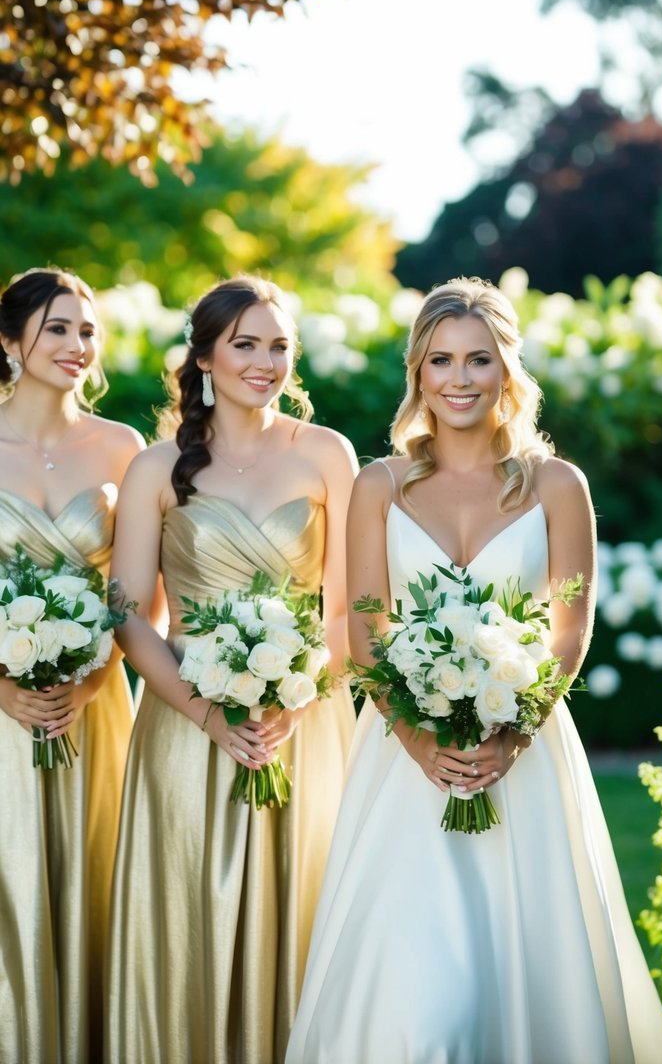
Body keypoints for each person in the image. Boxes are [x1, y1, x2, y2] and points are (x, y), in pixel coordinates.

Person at [286, 277, 662, 1064]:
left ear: (508, 369)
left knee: (524, 981)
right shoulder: (380, 484)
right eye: (441, 361)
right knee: (426, 1009)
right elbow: (366, 630)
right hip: (405, 764)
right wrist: (419, 741)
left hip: (523, 759)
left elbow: (569, 630)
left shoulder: (556, 486)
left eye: (478, 359)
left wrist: (512, 733)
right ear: (418, 373)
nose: (459, 379)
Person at [105, 275, 358, 1064]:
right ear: (205, 356)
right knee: (185, 920)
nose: (264, 361)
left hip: (303, 728)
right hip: (185, 728)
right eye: (245, 344)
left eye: (278, 345)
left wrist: (298, 694)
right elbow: (126, 615)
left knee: (308, 915)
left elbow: (355, 609)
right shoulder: (155, 467)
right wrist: (209, 714)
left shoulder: (327, 454)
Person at [0, 267, 143, 1064]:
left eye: (87, 330)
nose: (77, 345)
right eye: (57, 327)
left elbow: (141, 595)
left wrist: (91, 681)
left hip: (97, 705)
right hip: (0, 712)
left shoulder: (122, 447)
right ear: (9, 342)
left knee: (93, 886)